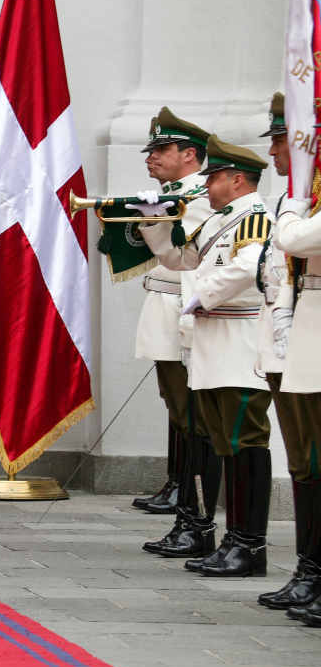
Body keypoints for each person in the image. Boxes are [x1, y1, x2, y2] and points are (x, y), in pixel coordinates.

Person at [138, 136, 272, 577]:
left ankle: (248, 545)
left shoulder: (254, 219)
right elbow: (180, 259)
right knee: (223, 443)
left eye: (214, 176)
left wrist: (196, 298)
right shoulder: (221, 220)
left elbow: (247, 266)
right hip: (212, 345)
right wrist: (154, 218)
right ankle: (232, 539)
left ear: (236, 180)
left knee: (243, 442)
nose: (207, 183)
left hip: (239, 344)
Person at [128, 109, 212, 519]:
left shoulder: (200, 194)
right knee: (175, 403)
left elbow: (189, 259)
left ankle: (190, 495)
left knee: (188, 407)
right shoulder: (174, 192)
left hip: (183, 304)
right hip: (162, 300)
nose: (152, 157)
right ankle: (179, 484)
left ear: (190, 154)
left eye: (163, 149)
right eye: (152, 150)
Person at [255, 96, 321, 617]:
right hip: (301, 331)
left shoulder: (301, 201)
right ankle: (310, 569)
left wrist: (296, 203)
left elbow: (294, 239)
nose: (285, 149)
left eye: (291, 138)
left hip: (312, 333)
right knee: (304, 460)